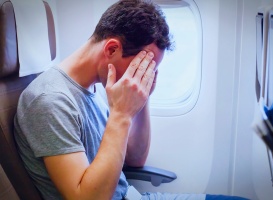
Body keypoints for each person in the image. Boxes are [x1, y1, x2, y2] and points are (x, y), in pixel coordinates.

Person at [14, 0, 249, 199]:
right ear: (112, 49)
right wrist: (121, 114)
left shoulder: (97, 86)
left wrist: (142, 98)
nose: (142, 76)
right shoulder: (50, 100)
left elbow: (136, 158)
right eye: (141, 67)